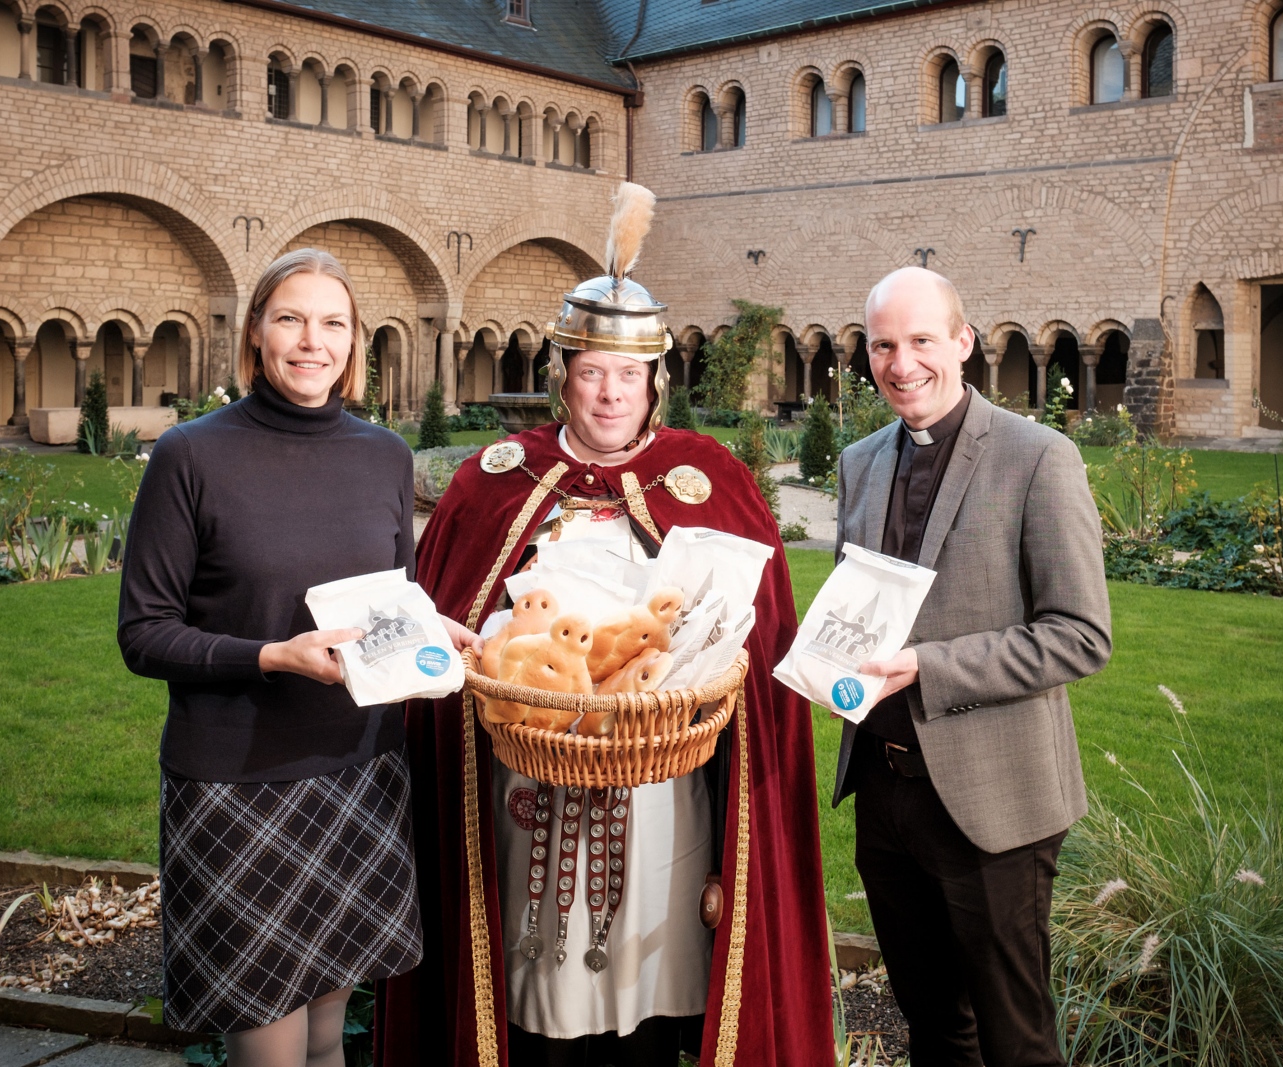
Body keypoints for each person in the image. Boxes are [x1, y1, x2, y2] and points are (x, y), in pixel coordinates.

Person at [377, 184, 834, 1067]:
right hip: (523, 780)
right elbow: (447, 626)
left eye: (630, 374)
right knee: (532, 985)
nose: (610, 392)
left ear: (656, 379)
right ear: (563, 377)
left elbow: (760, 643)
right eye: (592, 372)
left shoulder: (709, 478)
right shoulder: (494, 479)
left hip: (662, 784)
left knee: (652, 987)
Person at [118, 248, 477, 1067]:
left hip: (361, 770)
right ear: (255, 332)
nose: (311, 341)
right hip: (240, 786)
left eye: (332, 323)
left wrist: (430, 629)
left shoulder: (383, 454)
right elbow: (144, 632)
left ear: (355, 343)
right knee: (271, 1049)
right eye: (290, 318)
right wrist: (273, 655)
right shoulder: (192, 456)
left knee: (325, 1038)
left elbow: (391, 596)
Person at [830, 267, 1113, 1067]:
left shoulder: (1037, 457)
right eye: (883, 344)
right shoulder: (860, 462)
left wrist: (926, 664)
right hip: (884, 793)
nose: (901, 362)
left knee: (1015, 1039)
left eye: (921, 340)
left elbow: (1080, 635)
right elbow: (861, 603)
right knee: (931, 1026)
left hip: (995, 800)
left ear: (963, 342)